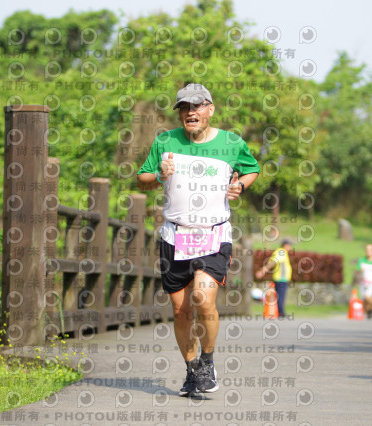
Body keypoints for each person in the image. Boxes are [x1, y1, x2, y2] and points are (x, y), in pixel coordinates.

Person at [137, 83, 260, 397]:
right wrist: (159, 174)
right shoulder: (165, 141)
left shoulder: (231, 142)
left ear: (210, 109)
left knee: (204, 299)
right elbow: (143, 180)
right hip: (174, 235)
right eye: (184, 107)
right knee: (181, 311)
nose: (190, 112)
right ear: (179, 113)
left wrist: (240, 187)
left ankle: (207, 360)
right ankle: (192, 370)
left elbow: (252, 169)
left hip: (214, 233)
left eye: (197, 106)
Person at [255, 239, 294, 318]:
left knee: (281, 295)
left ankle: (281, 312)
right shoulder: (281, 252)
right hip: (280, 279)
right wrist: (264, 270)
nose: (290, 248)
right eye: (289, 246)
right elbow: (274, 261)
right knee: (281, 296)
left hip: (283, 279)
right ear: (285, 245)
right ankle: (281, 312)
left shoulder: (283, 253)